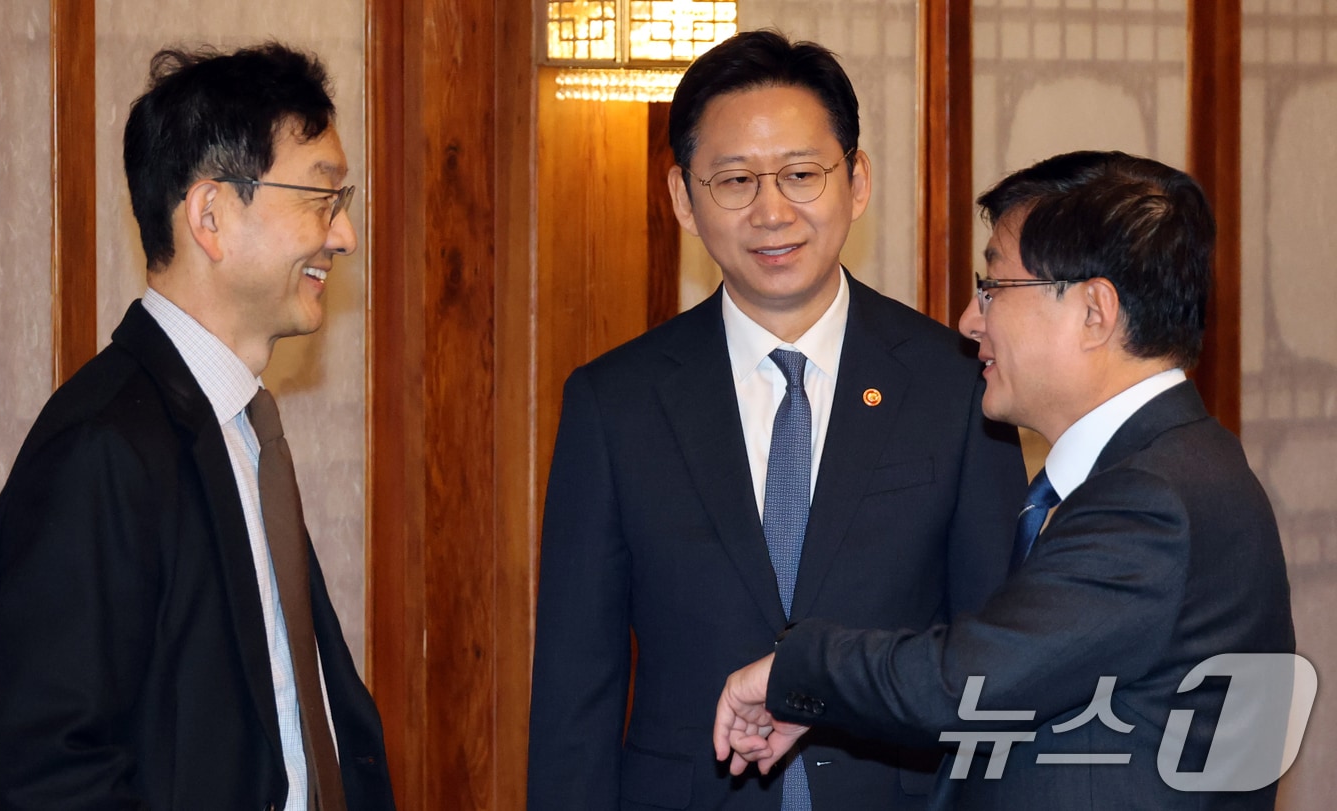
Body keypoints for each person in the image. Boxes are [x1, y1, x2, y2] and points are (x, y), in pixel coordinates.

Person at [527, 30, 1026, 810]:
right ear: (683, 199)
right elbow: (574, 693)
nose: (771, 211)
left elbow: (996, 655)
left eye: (801, 174)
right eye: (735, 180)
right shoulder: (614, 402)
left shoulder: (957, 385)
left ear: (856, 182)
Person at [713, 151, 1297, 810]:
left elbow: (966, 682)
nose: (970, 319)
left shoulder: (1151, 499)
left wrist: (798, 669)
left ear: (1094, 311)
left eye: (993, 287)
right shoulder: (1172, 464)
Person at [0, 44, 394, 810]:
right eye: (320, 197)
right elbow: (45, 771)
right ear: (210, 215)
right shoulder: (102, 449)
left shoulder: (245, 429)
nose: (343, 235)